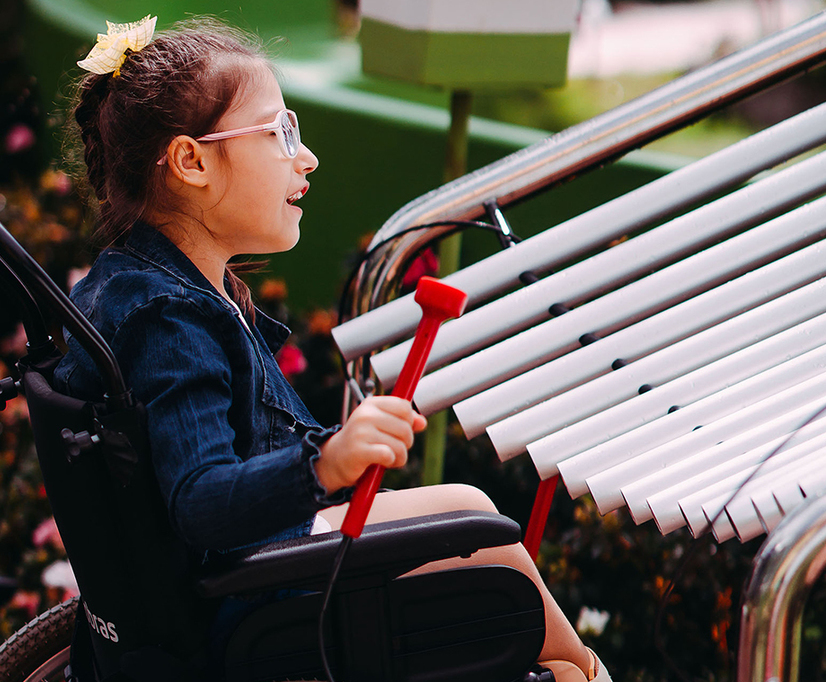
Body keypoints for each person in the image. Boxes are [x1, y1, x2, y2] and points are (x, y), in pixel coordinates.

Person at [56, 16, 610, 682]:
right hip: (246, 599)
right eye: (279, 132)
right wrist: (325, 462)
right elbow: (200, 501)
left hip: (236, 577)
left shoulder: (139, 285)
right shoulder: (169, 319)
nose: (306, 157)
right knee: (486, 542)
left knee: (473, 515)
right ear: (190, 162)